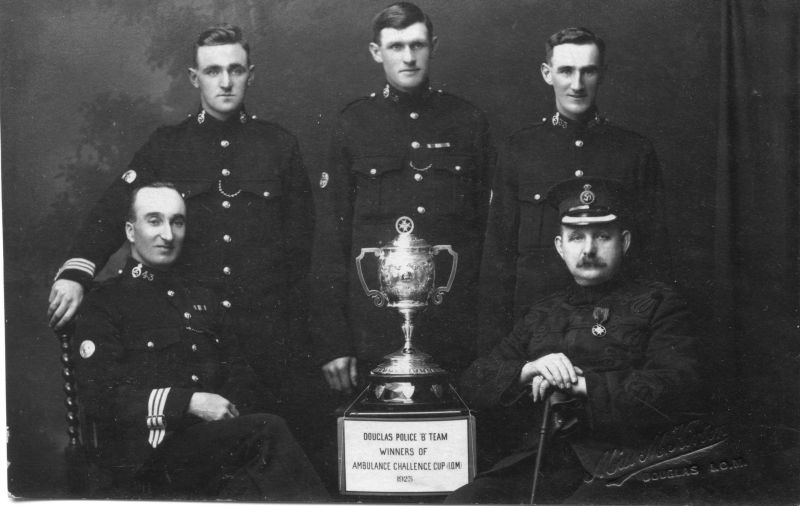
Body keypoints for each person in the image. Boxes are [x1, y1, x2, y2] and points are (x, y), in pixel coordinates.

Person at [46, 24, 313, 400]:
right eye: (212, 71)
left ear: (250, 76)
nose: (225, 82)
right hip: (194, 334)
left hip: (269, 334)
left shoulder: (279, 146)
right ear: (194, 78)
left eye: (235, 70)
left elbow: (304, 248)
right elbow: (114, 210)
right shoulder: (167, 146)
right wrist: (76, 273)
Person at [447, 177, 701, 503]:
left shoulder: (659, 303)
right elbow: (472, 382)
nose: (589, 249)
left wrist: (579, 384)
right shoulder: (542, 312)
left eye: (603, 237)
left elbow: (679, 385)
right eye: (576, 237)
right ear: (559, 246)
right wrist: (530, 369)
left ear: (623, 242)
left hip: (628, 464)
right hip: (546, 460)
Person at [74, 183, 327, 500]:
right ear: (129, 229)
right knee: (267, 432)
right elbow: (99, 399)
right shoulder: (105, 303)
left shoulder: (201, 298)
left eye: (177, 222)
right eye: (154, 221)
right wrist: (190, 402)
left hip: (208, 450)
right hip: (145, 460)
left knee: (274, 436)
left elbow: (237, 372)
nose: (168, 235)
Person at [311, 1, 495, 394]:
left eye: (417, 45)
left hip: (456, 332)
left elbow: (490, 238)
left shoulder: (468, 122)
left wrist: (490, 342)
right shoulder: (352, 124)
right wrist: (334, 341)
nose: (409, 57)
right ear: (376, 52)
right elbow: (330, 242)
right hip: (372, 332)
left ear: (434, 46)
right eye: (396, 46)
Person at [478, 27, 671, 354]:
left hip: (614, 333)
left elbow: (653, 258)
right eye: (566, 70)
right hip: (533, 332)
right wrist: (495, 354)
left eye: (588, 71)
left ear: (602, 74)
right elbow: (499, 259)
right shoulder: (517, 151)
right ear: (547, 73)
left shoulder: (634, 152)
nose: (577, 84)